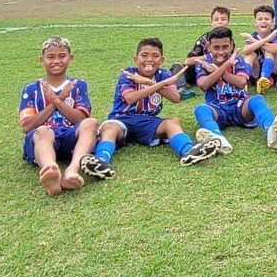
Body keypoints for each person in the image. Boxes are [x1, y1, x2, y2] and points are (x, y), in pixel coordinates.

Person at [86, 38, 219, 177]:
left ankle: (189, 151)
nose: (149, 59)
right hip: (122, 119)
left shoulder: (163, 75)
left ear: (161, 60)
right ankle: (101, 160)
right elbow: (130, 98)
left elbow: (175, 98)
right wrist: (160, 84)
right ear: (136, 59)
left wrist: (149, 82)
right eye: (144, 55)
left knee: (172, 122)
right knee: (110, 128)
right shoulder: (128, 74)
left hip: (148, 121)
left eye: (155, 56)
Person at [19, 36, 100, 196]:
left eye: (62, 56)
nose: (57, 61)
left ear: (70, 58)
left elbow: (80, 120)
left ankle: (72, 170)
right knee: (44, 131)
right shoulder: (31, 89)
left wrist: (57, 99)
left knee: (91, 123)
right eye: (51, 57)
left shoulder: (78, 85)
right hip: (42, 142)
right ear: (42, 60)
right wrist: (56, 101)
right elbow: (27, 126)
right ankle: (50, 171)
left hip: (70, 137)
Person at [191, 27, 277, 155]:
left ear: (231, 45)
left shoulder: (238, 60)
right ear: (209, 46)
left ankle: (271, 130)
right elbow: (203, 85)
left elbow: (241, 82)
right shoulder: (203, 63)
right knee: (200, 109)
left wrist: (218, 71)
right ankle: (217, 138)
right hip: (216, 108)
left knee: (257, 100)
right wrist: (225, 66)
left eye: (225, 47)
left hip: (240, 106)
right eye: (216, 48)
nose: (220, 52)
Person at [240, 5, 277, 91]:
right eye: (260, 19)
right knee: (250, 54)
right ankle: (244, 80)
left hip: (272, 73)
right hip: (256, 71)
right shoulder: (254, 35)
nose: (263, 21)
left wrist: (255, 41)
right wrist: (262, 40)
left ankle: (264, 79)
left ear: (272, 22)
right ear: (255, 22)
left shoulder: (274, 34)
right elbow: (245, 51)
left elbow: (275, 49)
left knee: (270, 52)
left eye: (267, 19)